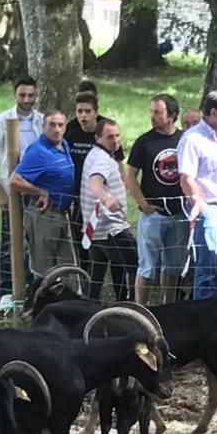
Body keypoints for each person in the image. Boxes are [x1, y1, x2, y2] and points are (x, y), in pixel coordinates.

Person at [0, 75, 44, 312]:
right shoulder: (3, 120)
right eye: (22, 95)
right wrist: (0, 192)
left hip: (35, 190)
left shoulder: (41, 120)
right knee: (10, 240)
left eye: (31, 95)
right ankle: (7, 290)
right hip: (12, 190)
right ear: (14, 94)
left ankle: (31, 288)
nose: (27, 100)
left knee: (34, 240)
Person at [7, 110, 78, 295]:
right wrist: (40, 191)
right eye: (52, 125)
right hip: (44, 215)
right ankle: (42, 308)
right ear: (44, 127)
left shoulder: (64, 145)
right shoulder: (38, 151)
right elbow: (15, 180)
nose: (57, 129)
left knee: (69, 266)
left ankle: (70, 305)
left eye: (61, 125)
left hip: (62, 214)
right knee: (45, 269)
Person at [178, 90, 217, 301]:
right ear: (213, 113)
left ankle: (207, 312)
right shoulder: (192, 139)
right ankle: (200, 320)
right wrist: (200, 205)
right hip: (208, 209)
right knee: (207, 268)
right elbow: (186, 178)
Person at [126, 94, 188, 304]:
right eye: (151, 111)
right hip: (153, 214)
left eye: (157, 112)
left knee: (173, 266)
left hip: (179, 212)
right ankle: (140, 309)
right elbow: (130, 175)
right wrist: (142, 203)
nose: (152, 116)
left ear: (171, 116)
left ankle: (168, 306)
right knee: (146, 266)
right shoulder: (144, 142)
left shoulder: (184, 140)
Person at [80, 119, 137, 303]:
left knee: (97, 275)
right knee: (136, 265)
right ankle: (133, 307)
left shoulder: (96, 155)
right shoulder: (101, 159)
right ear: (98, 138)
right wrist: (108, 198)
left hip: (95, 229)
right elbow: (95, 181)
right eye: (110, 137)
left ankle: (89, 308)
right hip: (110, 228)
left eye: (117, 136)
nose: (115, 141)